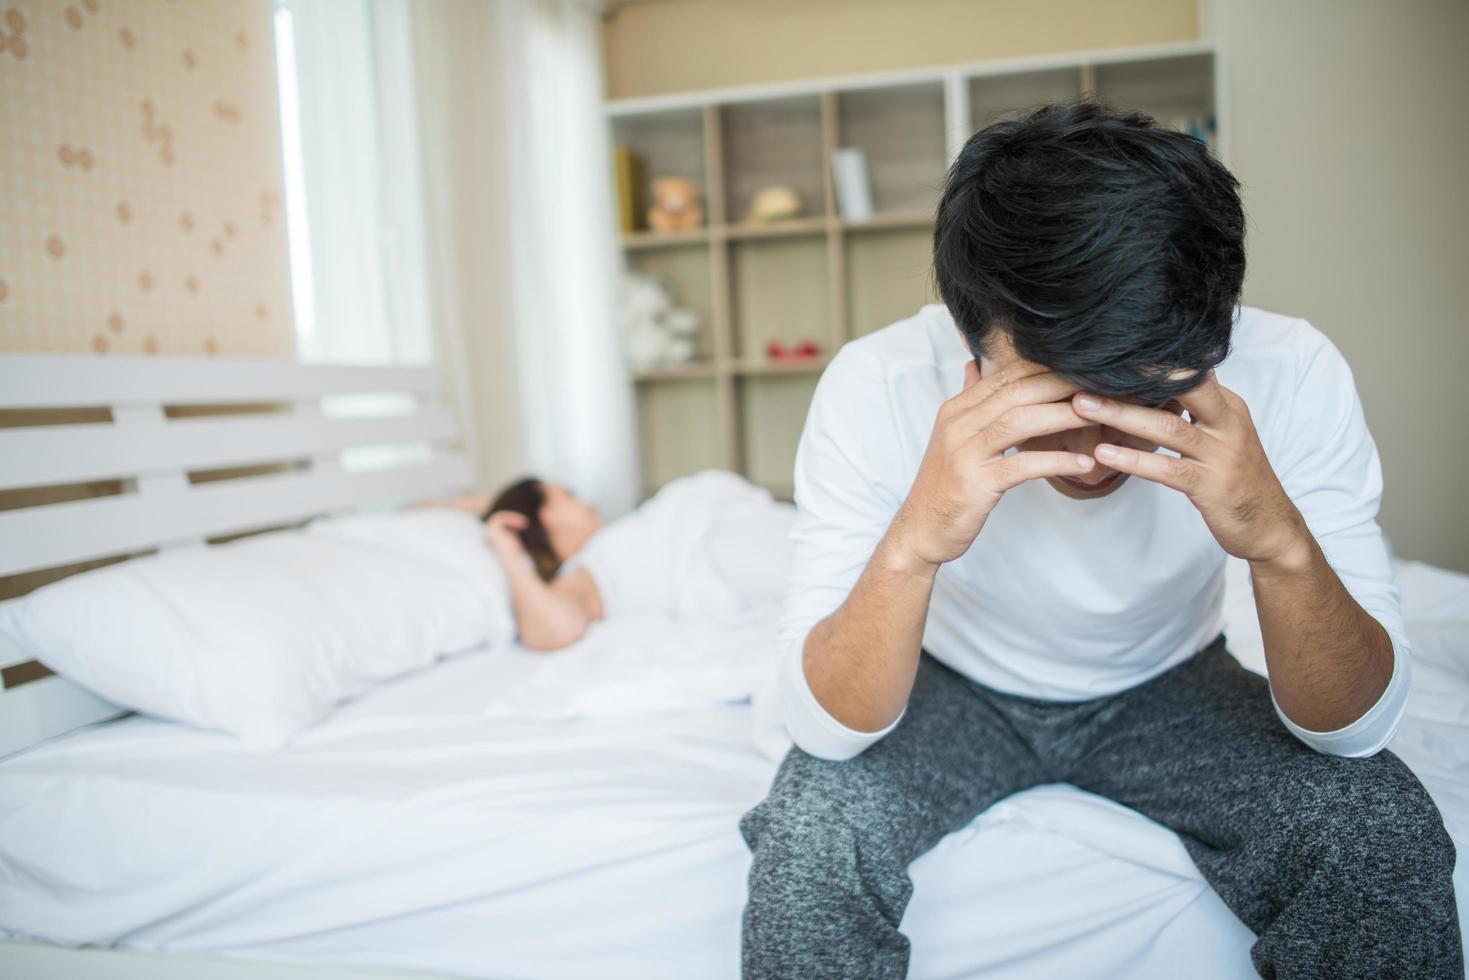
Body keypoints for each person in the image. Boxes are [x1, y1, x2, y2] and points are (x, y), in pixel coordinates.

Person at [739, 100, 1461, 979]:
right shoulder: (878, 381)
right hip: (953, 690)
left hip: (1171, 685)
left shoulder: (1290, 367)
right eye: (1050, 403)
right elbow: (826, 732)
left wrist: (1278, 542)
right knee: (810, 833)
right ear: (971, 348)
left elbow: (1351, 733)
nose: (1092, 457)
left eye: (1140, 401)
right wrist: (914, 542)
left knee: (1374, 830)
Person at [463, 470, 793, 650]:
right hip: (713, 554)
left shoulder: (607, 543)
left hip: (726, 529)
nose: (587, 502)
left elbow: (468, 505)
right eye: (568, 496)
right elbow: (558, 629)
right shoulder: (578, 574)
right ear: (541, 519)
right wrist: (507, 551)